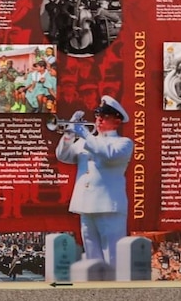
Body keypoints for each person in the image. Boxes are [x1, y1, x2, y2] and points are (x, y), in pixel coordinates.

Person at [55, 95, 134, 272]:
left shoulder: (123, 143)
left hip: (109, 207)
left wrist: (83, 132)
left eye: (104, 116)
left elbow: (107, 154)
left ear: (117, 121)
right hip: (85, 205)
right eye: (97, 115)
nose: (99, 119)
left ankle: (115, 292)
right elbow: (64, 156)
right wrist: (69, 133)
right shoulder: (86, 141)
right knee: (92, 257)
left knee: (112, 256)